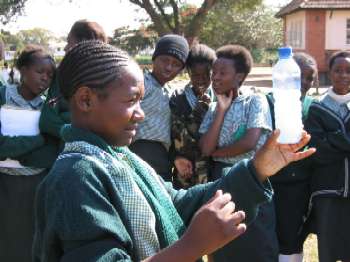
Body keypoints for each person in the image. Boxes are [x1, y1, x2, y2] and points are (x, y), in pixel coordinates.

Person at [32, 40, 315, 262]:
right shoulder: (76, 177)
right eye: (132, 101)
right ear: (85, 100)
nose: (140, 114)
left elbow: (175, 203)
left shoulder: (119, 158)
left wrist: (257, 170)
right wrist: (191, 246)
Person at [199, 45, 277, 262]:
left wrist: (218, 153)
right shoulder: (215, 108)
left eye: (222, 72)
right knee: (223, 245)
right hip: (221, 183)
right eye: (213, 72)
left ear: (240, 76)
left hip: (251, 180)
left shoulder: (255, 100)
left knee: (256, 242)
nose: (215, 77)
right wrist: (222, 112)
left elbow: (249, 142)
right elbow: (205, 149)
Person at [0, 45, 57, 261]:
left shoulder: (48, 108)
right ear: (22, 70)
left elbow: (51, 152)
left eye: (50, 75)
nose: (45, 79)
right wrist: (38, 140)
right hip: (4, 184)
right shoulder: (3, 96)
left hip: (37, 184)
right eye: (39, 72)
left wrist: (16, 150)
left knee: (30, 241)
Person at [267, 52, 318, 262]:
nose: (304, 83)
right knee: (269, 238)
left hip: (299, 186)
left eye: (309, 78)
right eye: (300, 77)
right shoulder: (268, 102)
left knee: (292, 241)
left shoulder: (314, 107)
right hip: (270, 182)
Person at [304, 51, 350, 262]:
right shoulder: (317, 107)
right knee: (329, 251)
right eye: (338, 70)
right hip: (327, 189)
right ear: (329, 73)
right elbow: (317, 152)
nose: (343, 75)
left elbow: (326, 144)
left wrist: (334, 138)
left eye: (348, 71)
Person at [39, 19, 108, 151]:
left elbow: (108, 124)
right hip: (65, 154)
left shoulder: (111, 79)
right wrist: (79, 130)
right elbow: (46, 121)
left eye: (69, 41)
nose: (65, 48)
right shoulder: (63, 75)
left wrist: (66, 117)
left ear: (83, 44)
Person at [130, 34, 189, 181]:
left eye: (176, 64)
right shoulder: (141, 84)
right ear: (154, 58)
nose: (169, 67)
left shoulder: (172, 93)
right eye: (164, 60)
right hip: (135, 153)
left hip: (162, 161)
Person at [169, 43, 216, 188]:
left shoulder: (220, 98)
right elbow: (178, 139)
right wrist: (200, 109)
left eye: (206, 75)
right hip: (185, 171)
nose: (201, 80)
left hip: (213, 169)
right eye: (195, 75)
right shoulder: (178, 99)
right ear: (188, 72)